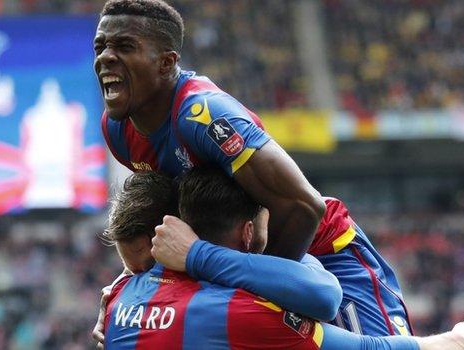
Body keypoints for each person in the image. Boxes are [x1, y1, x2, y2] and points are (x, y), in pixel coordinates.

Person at [93, 0, 406, 339]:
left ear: (166, 63)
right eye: (100, 46)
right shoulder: (118, 130)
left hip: (321, 251)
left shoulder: (205, 116)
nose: (105, 57)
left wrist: (263, 293)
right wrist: (119, 294)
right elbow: (165, 223)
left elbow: (303, 207)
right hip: (234, 260)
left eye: (124, 46)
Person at [102, 169, 464, 350]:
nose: (138, 278)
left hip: (332, 248)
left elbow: (324, 293)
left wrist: (196, 255)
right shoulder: (223, 305)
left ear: (174, 231)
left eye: (143, 266)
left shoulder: (219, 295)